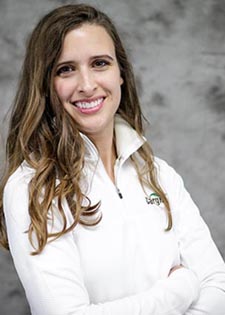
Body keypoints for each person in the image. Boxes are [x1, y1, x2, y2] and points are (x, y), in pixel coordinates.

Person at [0, 4, 225, 315]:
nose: (87, 84)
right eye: (65, 69)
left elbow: (218, 286)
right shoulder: (32, 188)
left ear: (121, 74)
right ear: (45, 84)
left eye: (100, 63)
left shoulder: (160, 175)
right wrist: (181, 288)